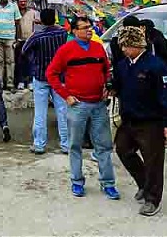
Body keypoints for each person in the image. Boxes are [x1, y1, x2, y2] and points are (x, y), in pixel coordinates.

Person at [46, 16, 119, 200]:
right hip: (78, 105)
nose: (90, 30)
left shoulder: (97, 47)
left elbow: (106, 69)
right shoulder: (66, 50)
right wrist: (66, 96)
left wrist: (107, 86)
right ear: (74, 31)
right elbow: (51, 73)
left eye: (90, 26)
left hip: (98, 104)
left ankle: (108, 183)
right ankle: (77, 181)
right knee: (75, 145)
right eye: (85, 27)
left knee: (103, 145)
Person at [112, 26, 167, 217]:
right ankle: (143, 183)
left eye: (126, 45)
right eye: (122, 45)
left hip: (151, 121)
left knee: (153, 161)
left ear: (137, 45)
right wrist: (111, 87)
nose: (123, 49)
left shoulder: (156, 66)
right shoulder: (123, 65)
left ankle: (152, 199)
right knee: (123, 150)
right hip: (129, 119)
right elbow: (119, 84)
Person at [21, 8, 68, 154]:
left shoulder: (37, 36)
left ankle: (39, 145)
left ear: (40, 20)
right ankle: (66, 144)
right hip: (59, 76)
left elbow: (24, 50)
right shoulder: (62, 33)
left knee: (40, 112)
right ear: (54, 19)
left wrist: (34, 60)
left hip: (41, 76)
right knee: (62, 111)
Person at [0, 0, 21, 91]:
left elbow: (18, 23)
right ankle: (0, 84)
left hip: (10, 37)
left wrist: (18, 38)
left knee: (10, 61)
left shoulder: (13, 6)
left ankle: (10, 84)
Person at [14, 0, 39, 90]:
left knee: (31, 61)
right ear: (18, 2)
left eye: (24, 1)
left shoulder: (32, 12)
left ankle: (30, 81)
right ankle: (20, 81)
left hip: (30, 40)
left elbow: (39, 22)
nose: (23, 3)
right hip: (19, 41)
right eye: (21, 1)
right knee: (20, 62)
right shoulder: (15, 12)